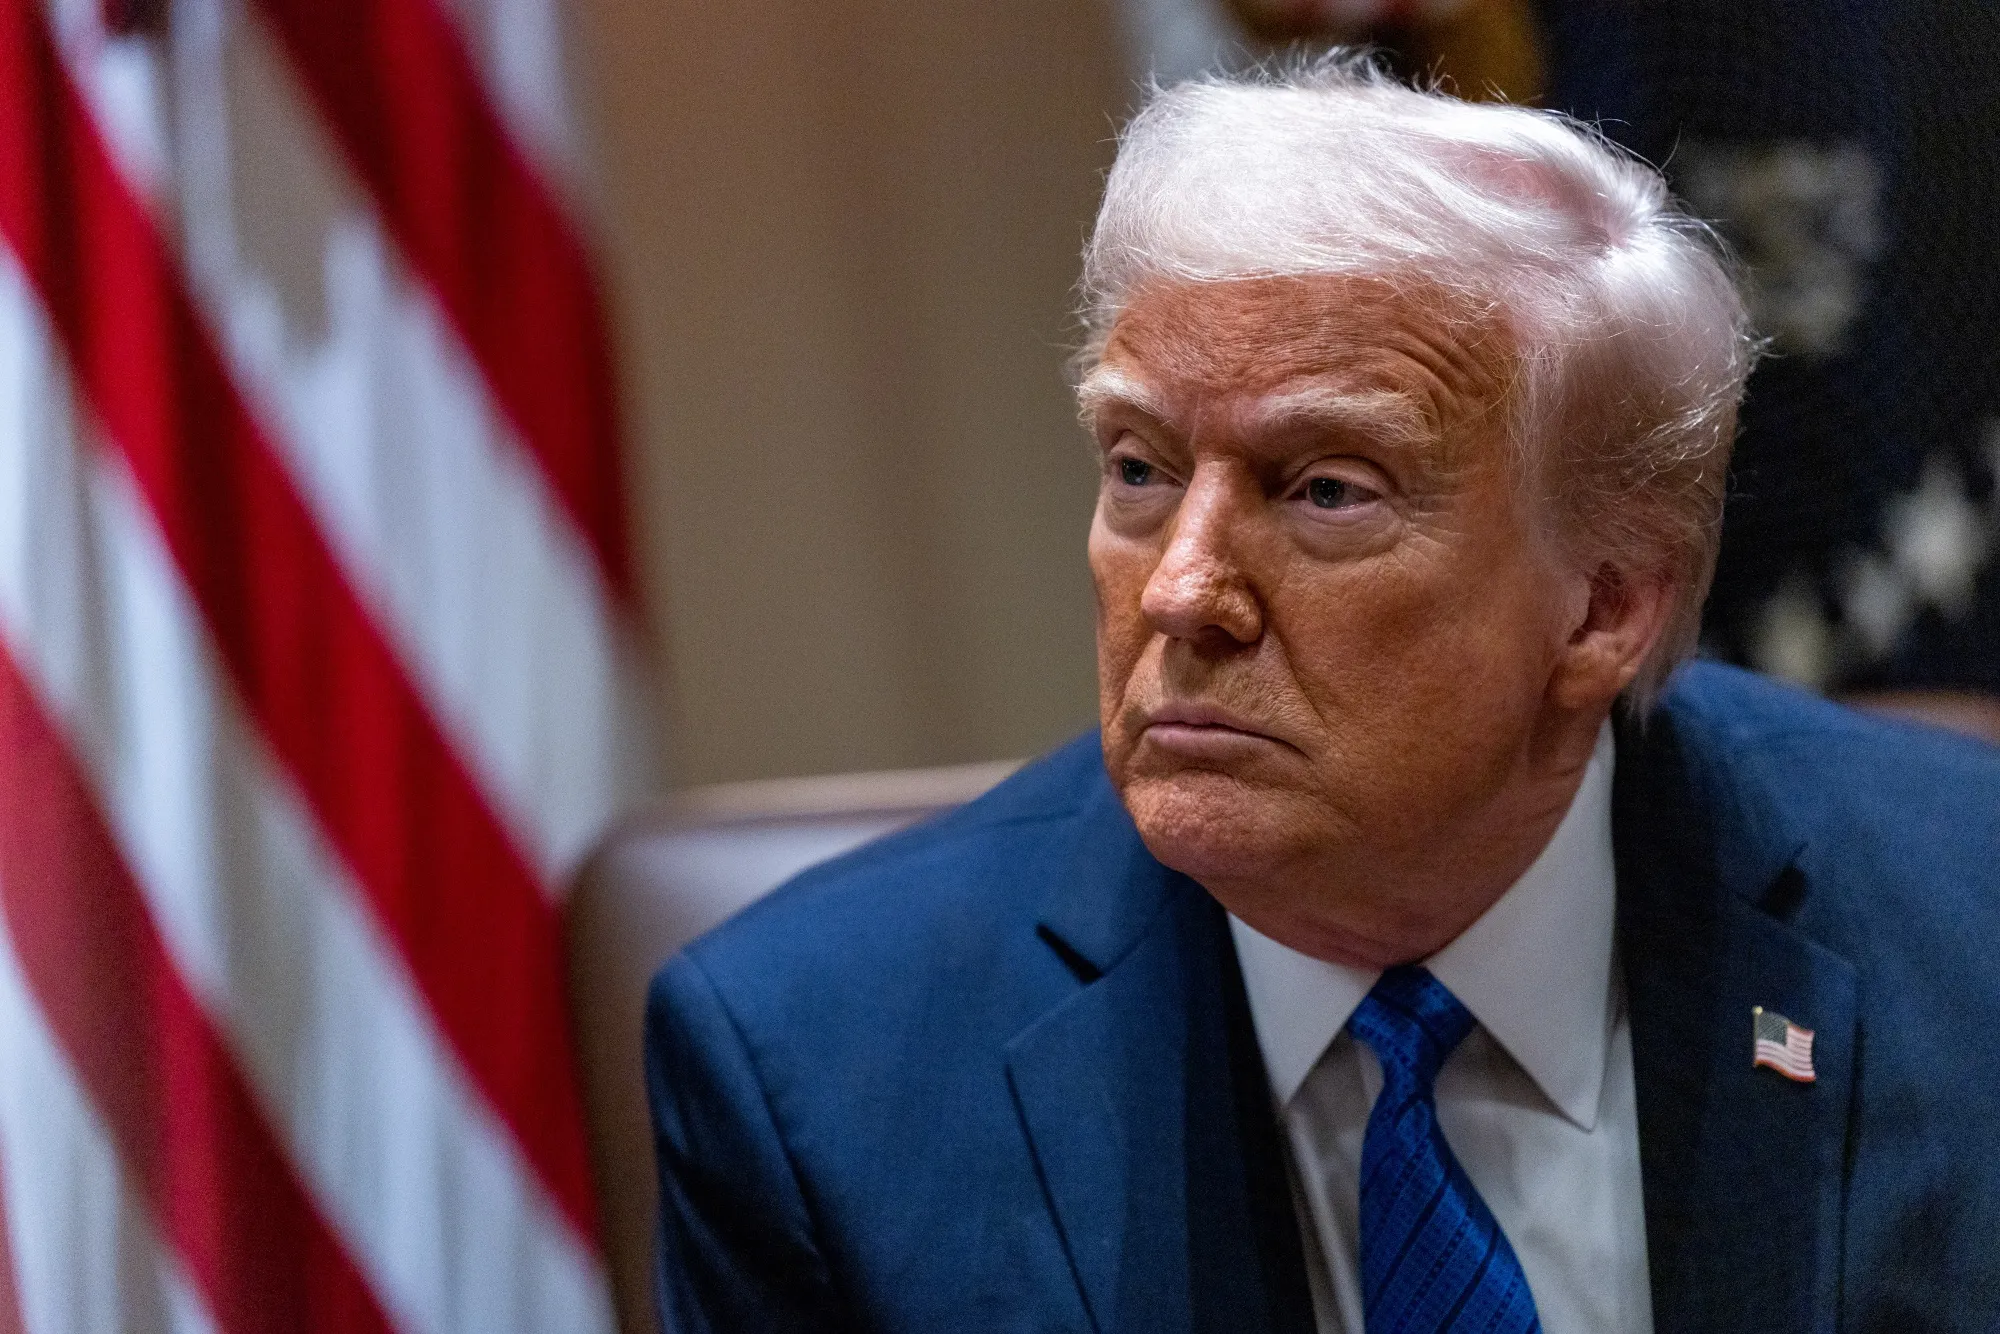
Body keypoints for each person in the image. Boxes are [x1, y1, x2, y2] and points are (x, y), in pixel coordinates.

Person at [645, 58, 2000, 1334]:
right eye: (1138, 468)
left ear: (1604, 605)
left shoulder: (1969, 920)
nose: (1182, 591)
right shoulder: (813, 1074)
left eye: (1327, 490)